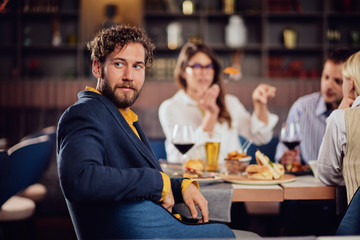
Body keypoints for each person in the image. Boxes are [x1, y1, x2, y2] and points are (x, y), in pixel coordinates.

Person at [57, 25, 259, 239]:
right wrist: (158, 182)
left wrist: (180, 185)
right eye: (119, 64)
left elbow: (131, 178)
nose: (129, 76)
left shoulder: (121, 115)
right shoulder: (85, 113)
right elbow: (81, 179)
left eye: (138, 66)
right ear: (97, 68)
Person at [158, 42, 279, 166]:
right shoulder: (170, 107)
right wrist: (211, 115)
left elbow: (261, 137)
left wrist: (259, 105)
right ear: (183, 71)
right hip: (191, 181)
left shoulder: (230, 102)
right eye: (197, 66)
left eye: (208, 66)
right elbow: (185, 158)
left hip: (232, 177)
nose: (204, 72)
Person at [275, 48, 354, 166]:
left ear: (351, 84)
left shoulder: (355, 113)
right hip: (307, 181)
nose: (328, 85)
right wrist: (285, 158)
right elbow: (282, 150)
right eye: (326, 77)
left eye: (338, 81)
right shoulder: (302, 108)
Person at [318, 50, 360, 204]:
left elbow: (325, 174)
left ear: (351, 84)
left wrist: (349, 174)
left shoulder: (340, 118)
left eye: (340, 80)